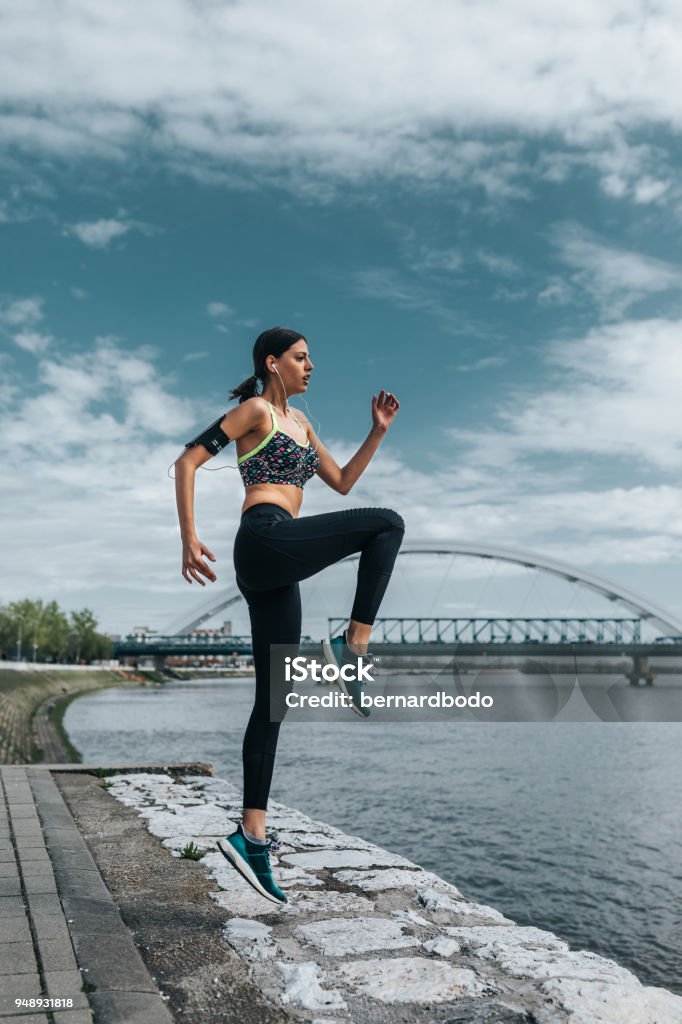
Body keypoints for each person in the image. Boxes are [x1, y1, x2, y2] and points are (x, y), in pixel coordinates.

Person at [174, 327, 404, 904]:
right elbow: (187, 460)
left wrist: (376, 434)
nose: (311, 366)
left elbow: (344, 483)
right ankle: (354, 647)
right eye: (302, 358)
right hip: (263, 538)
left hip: (279, 566)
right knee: (388, 523)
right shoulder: (254, 410)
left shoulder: (304, 427)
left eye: (311, 359)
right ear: (273, 363)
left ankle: (250, 834)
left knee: (272, 701)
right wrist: (189, 538)